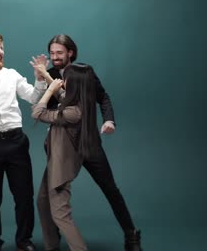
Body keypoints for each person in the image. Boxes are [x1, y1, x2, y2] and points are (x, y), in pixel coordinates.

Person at [32, 34, 142, 251]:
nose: (55, 57)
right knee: (50, 196)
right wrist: (41, 77)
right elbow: (41, 105)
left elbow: (103, 98)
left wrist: (109, 120)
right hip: (63, 145)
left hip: (88, 144)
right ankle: (54, 238)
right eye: (52, 53)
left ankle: (131, 236)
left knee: (110, 189)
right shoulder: (51, 74)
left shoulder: (84, 74)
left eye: (59, 53)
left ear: (70, 53)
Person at [0, 32, 46, 251]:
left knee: (24, 195)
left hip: (16, 142)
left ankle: (24, 240)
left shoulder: (12, 75)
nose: (0, 52)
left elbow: (34, 98)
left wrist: (39, 77)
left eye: (2, 48)